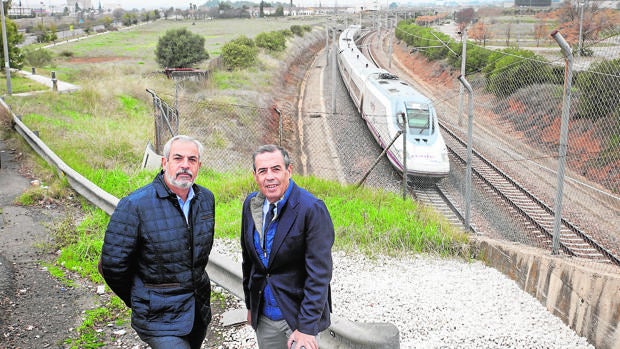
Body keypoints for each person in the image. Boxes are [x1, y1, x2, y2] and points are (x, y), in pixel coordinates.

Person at [99, 135, 215, 349]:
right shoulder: (135, 205)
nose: (185, 165)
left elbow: (199, 258)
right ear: (164, 162)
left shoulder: (206, 200)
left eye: (192, 160)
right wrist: (140, 298)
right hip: (158, 317)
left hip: (197, 312)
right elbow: (112, 266)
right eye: (178, 158)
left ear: (199, 165)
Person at [241, 144, 335, 349]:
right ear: (255, 176)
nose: (270, 177)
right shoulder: (251, 205)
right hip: (265, 317)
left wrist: (307, 327)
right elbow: (248, 262)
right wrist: (251, 306)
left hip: (297, 318)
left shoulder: (311, 209)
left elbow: (319, 274)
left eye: (276, 169)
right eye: (262, 171)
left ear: (289, 171)